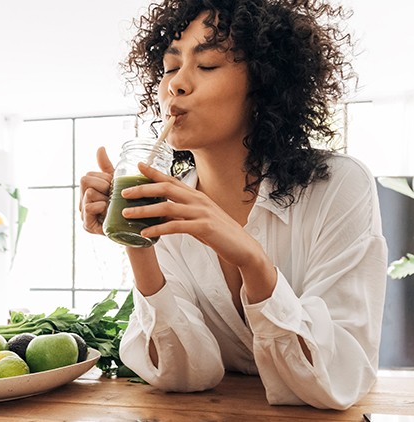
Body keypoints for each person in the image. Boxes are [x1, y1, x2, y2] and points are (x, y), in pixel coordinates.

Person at [79, 0, 387, 410]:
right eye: (171, 68)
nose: (177, 85)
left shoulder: (338, 186)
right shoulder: (165, 200)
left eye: (206, 66)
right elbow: (184, 375)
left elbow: (337, 378)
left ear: (264, 84)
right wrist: (137, 240)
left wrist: (251, 260)